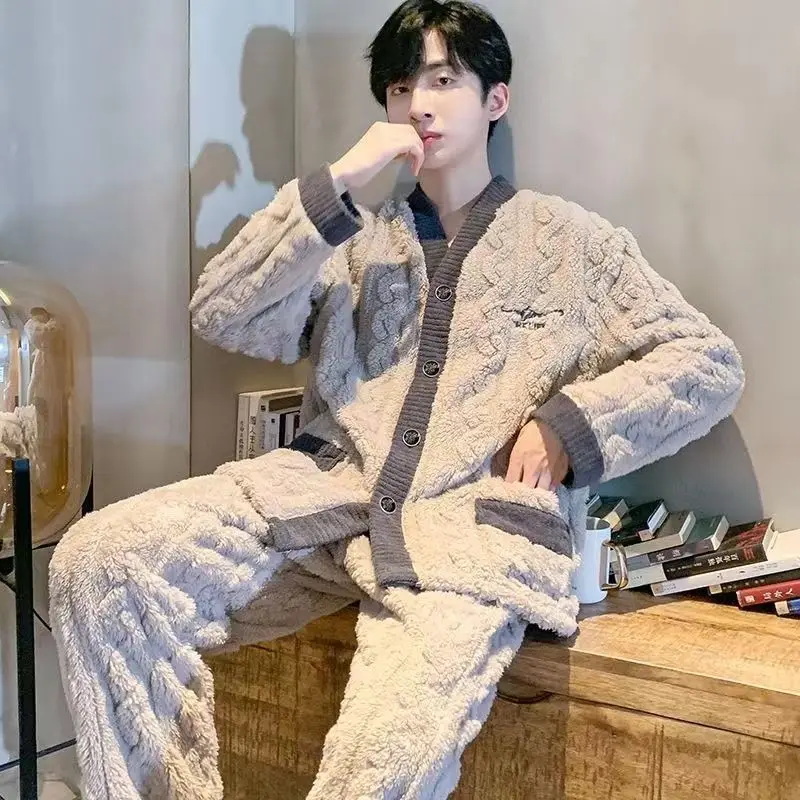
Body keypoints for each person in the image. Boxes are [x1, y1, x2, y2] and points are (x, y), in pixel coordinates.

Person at [49, 2, 745, 799]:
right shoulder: (354, 240)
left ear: (496, 98)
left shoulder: (569, 243)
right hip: (320, 504)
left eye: (443, 81)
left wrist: (567, 427)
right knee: (97, 563)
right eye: (401, 87)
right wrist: (340, 180)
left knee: (379, 762)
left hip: (465, 535)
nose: (419, 104)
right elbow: (222, 311)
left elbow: (707, 362)